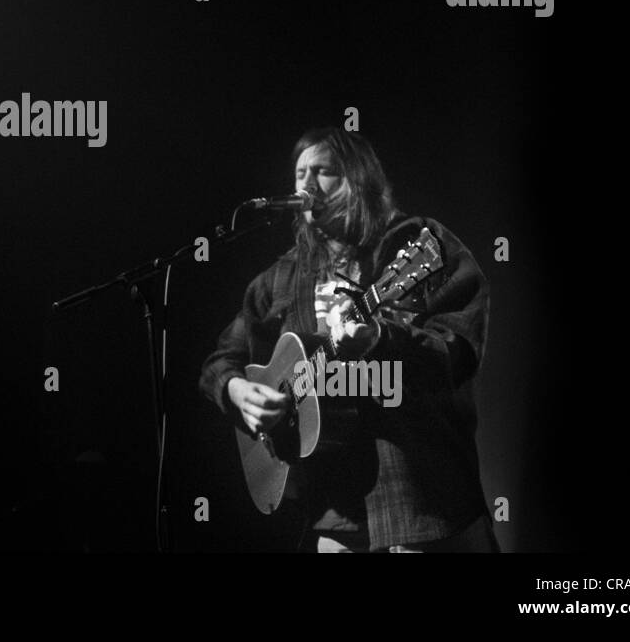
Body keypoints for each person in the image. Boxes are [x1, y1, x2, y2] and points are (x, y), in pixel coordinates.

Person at [199, 126, 499, 552]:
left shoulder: (416, 246)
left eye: (322, 171)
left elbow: (460, 349)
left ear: (360, 180)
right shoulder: (282, 276)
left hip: (421, 502)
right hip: (334, 509)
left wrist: (382, 338)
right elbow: (221, 359)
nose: (305, 184)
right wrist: (237, 391)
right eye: (299, 172)